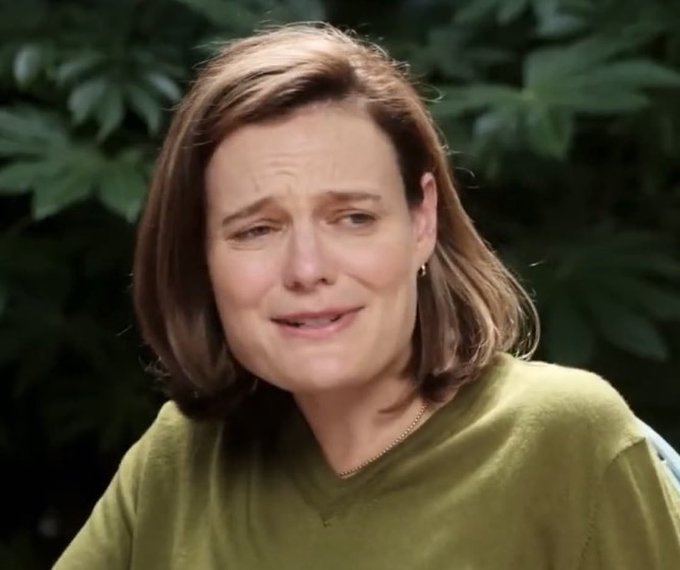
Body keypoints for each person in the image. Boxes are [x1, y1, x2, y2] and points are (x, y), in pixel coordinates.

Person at [55, 23, 680, 569]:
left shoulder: (565, 440)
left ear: (422, 220)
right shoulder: (180, 457)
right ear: (199, 256)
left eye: (353, 218)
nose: (307, 269)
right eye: (257, 229)